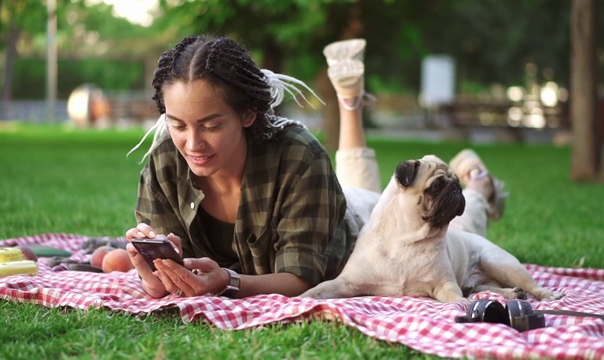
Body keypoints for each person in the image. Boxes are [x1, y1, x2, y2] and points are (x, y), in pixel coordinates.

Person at [124, 35, 507, 299]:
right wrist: (152, 270)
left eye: (210, 125)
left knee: (456, 230)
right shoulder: (163, 165)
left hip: (361, 234)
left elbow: (300, 279)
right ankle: (351, 100)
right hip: (331, 199)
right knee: (358, 180)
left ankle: (476, 183)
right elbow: (162, 286)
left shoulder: (299, 156)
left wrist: (228, 281)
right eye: (177, 125)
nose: (193, 143)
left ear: (247, 114)